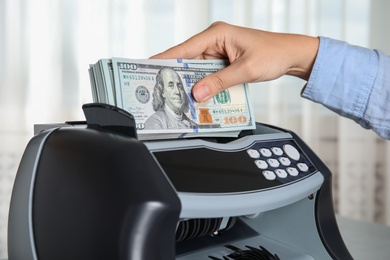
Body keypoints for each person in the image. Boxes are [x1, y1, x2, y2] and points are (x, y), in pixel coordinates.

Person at [151, 21, 390, 139]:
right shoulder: (155, 124)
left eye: (178, 84)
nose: (179, 90)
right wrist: (300, 55)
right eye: (170, 85)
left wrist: (298, 56)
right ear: (160, 92)